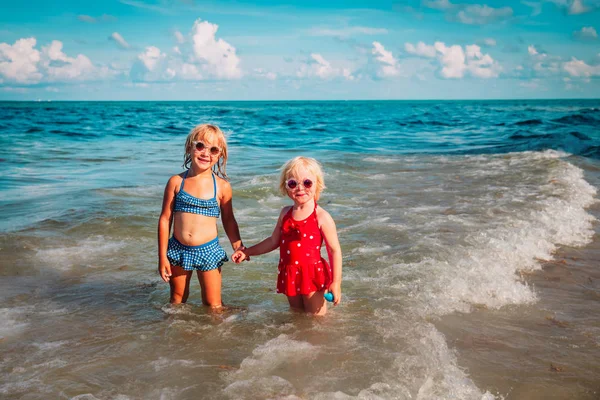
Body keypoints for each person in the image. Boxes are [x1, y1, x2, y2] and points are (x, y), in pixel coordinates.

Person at [232, 156, 342, 315]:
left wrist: (336, 282)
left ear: (317, 184)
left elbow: (334, 250)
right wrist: (247, 251)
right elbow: (273, 241)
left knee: (316, 320)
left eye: (307, 183)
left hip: (312, 275)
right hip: (290, 273)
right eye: (293, 183)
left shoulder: (321, 216)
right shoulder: (285, 213)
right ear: (285, 187)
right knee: (296, 316)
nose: (300, 188)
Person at [158, 123, 244, 308]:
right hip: (178, 250)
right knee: (177, 301)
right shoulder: (176, 182)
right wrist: (162, 257)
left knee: (213, 305)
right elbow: (165, 219)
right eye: (200, 146)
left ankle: (218, 333)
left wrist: (238, 246)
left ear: (220, 155)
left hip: (208, 250)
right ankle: (175, 333)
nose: (206, 153)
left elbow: (228, 220)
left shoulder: (222, 186)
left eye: (213, 149)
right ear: (190, 147)